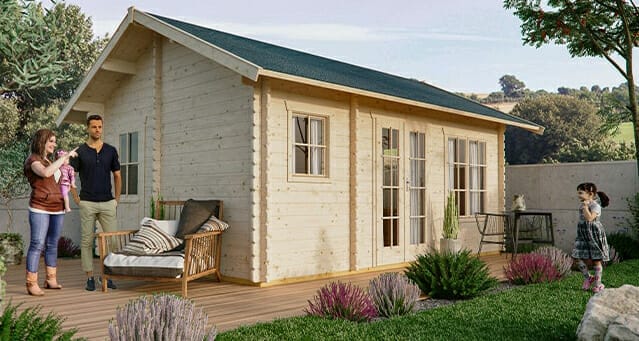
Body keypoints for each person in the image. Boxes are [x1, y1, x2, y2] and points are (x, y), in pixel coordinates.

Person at [70, 114, 121, 291]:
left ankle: (107, 275)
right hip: (87, 202)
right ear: (88, 128)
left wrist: (117, 199)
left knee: (112, 241)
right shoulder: (80, 152)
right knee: (86, 241)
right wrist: (76, 197)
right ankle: (90, 277)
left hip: (107, 202)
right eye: (94, 127)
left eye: (100, 127)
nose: (97, 130)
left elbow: (117, 175)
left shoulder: (111, 150)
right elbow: (70, 176)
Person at [23, 129, 78, 296]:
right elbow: (45, 173)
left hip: (57, 207)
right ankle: (31, 283)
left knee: (52, 244)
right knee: (37, 244)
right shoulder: (33, 160)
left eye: (55, 141)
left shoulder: (48, 160)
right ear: (42, 141)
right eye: (51, 141)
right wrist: (63, 158)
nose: (54, 144)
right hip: (40, 206)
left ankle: (51, 279)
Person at [572, 182, 610, 293]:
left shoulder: (595, 206)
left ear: (590, 193)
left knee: (596, 260)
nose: (578, 195)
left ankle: (598, 284)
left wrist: (585, 206)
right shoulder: (583, 204)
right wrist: (584, 205)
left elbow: (590, 218)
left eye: (581, 192)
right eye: (578, 192)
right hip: (583, 235)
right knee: (576, 257)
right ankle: (588, 278)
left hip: (594, 235)